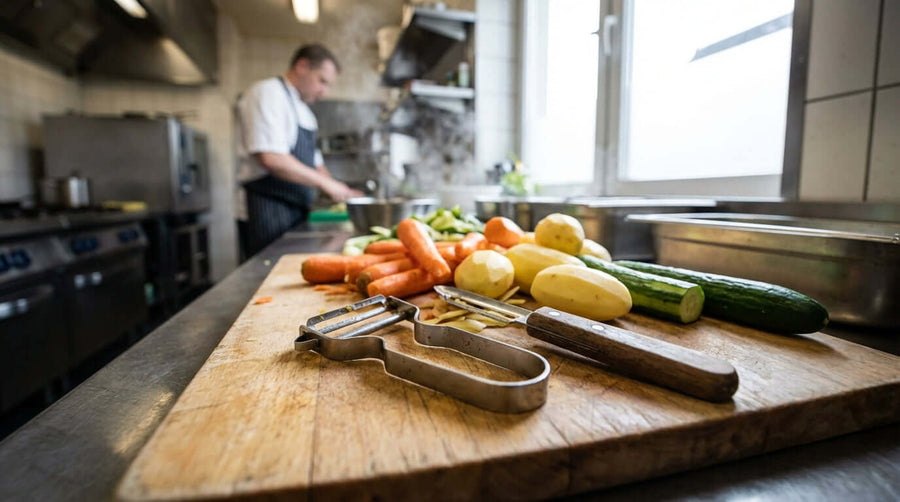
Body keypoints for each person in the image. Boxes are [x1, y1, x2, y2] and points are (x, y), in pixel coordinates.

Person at [235, 44, 362, 258]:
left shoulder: (305, 112)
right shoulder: (268, 93)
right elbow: (271, 158)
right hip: (265, 207)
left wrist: (344, 192)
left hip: (295, 208)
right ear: (302, 66)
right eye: (322, 81)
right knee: (267, 274)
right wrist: (326, 184)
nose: (324, 91)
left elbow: (315, 163)